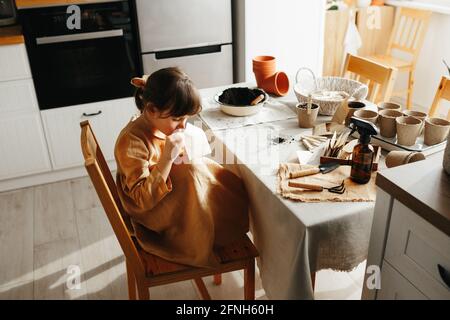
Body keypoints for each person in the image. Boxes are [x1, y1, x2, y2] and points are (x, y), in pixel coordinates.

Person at [114, 67, 249, 268]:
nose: (183, 126)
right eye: (177, 119)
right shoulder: (131, 141)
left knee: (202, 167)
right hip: (150, 215)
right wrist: (167, 157)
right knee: (193, 170)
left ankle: (224, 219)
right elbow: (142, 200)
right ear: (151, 110)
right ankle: (207, 231)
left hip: (164, 196)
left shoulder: (157, 117)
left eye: (186, 118)